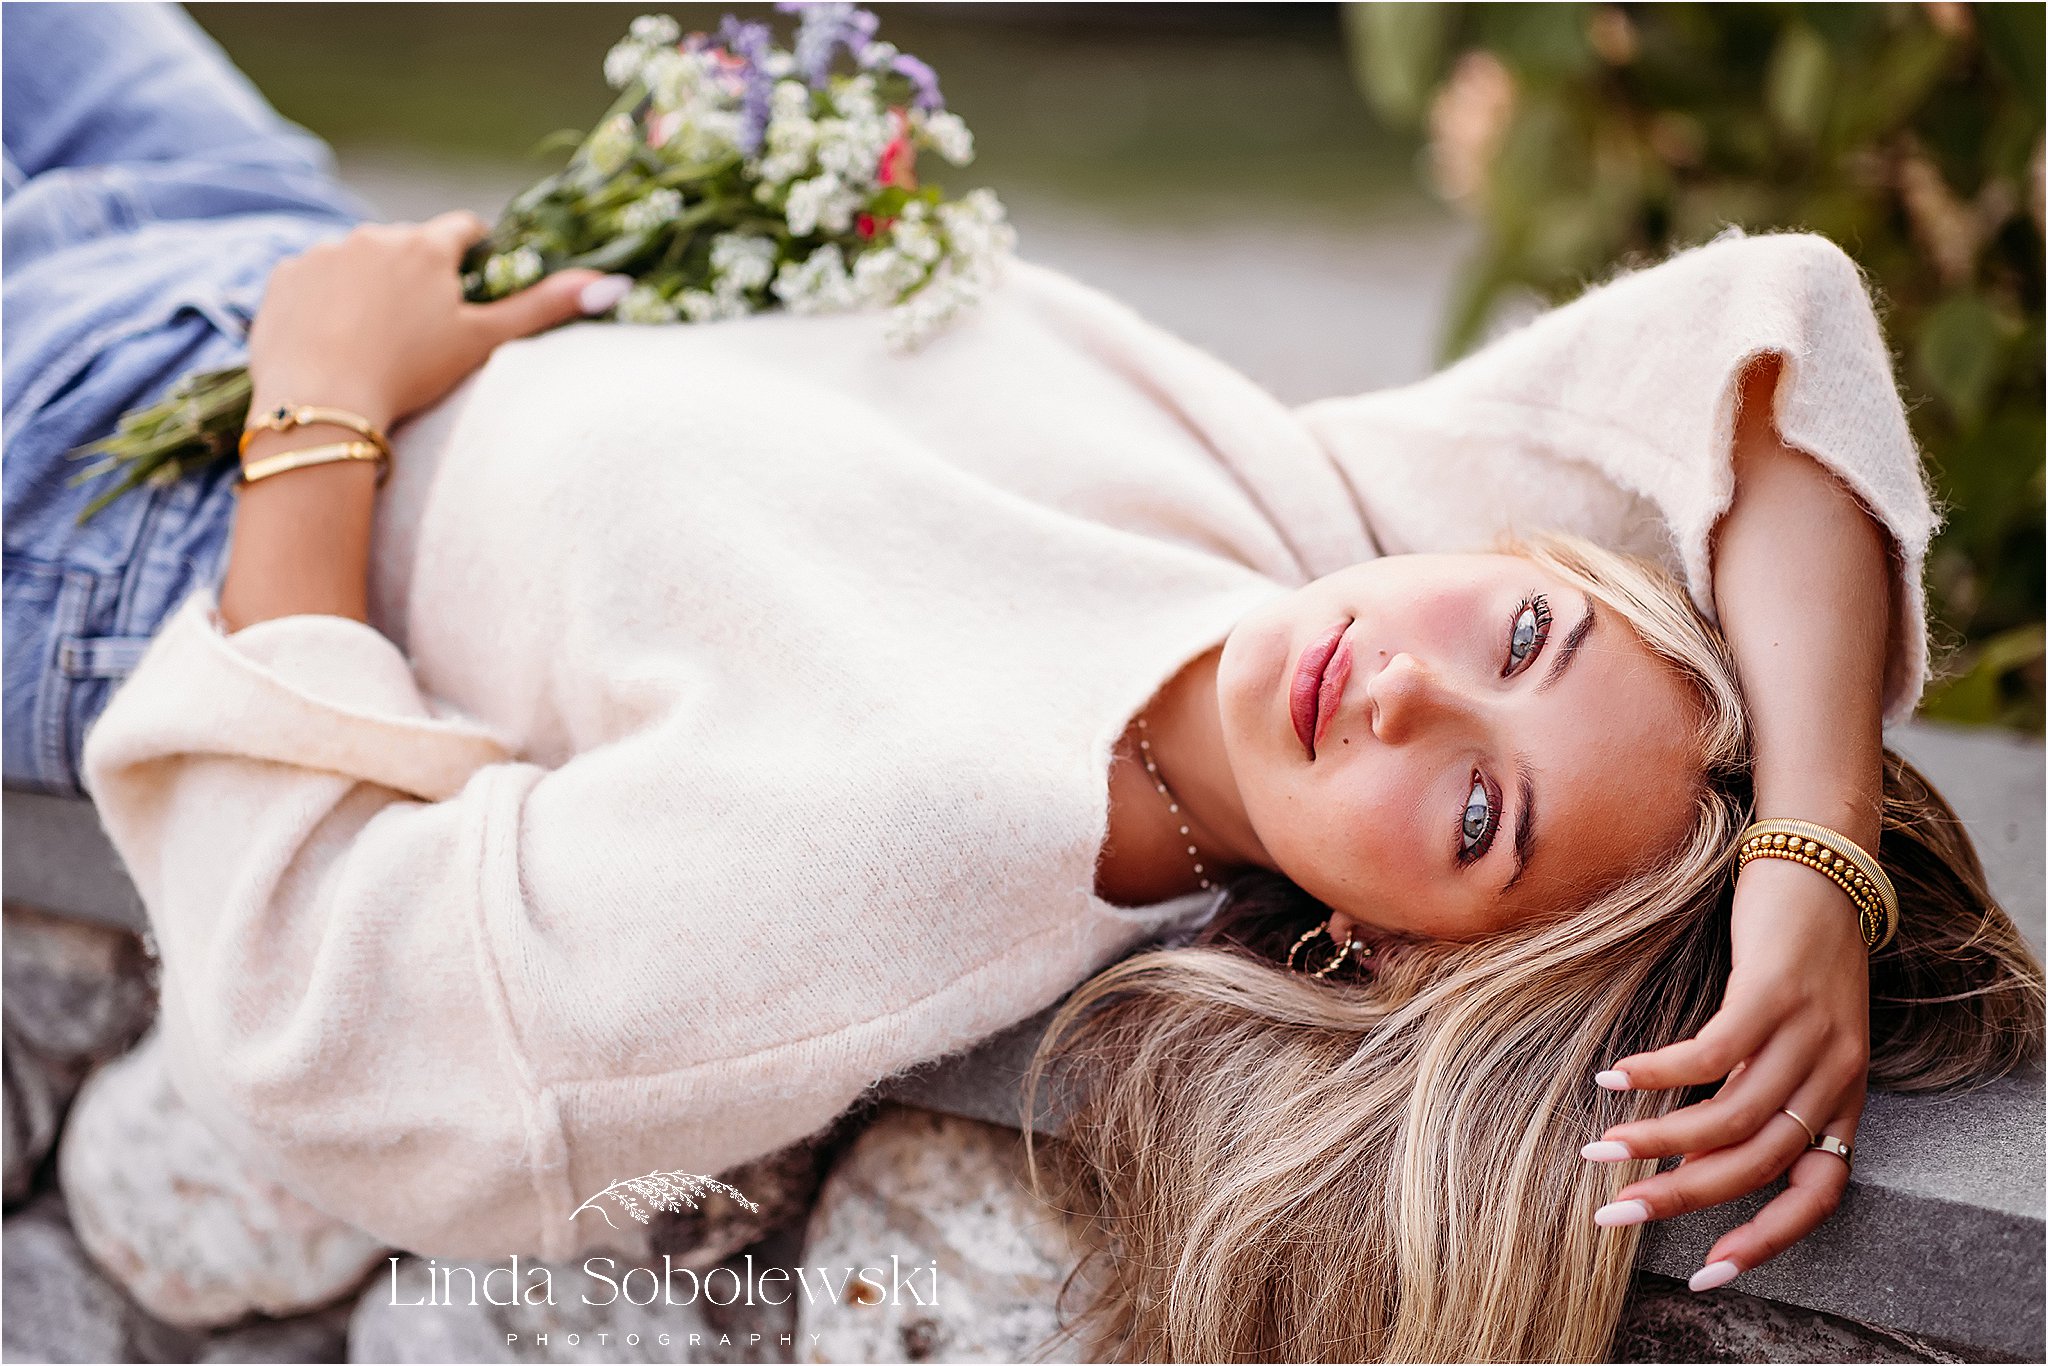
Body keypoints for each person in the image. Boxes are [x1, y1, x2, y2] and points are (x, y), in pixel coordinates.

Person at [4, 3, 2039, 1348]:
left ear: (1385, 947)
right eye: (1526, 630)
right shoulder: (1317, 535)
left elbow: (321, 1017)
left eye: (1477, 814)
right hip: (258, 229)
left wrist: (315, 419)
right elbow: (1772, 336)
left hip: (107, 495)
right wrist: (1802, 852)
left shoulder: (903, 872)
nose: (1411, 694)